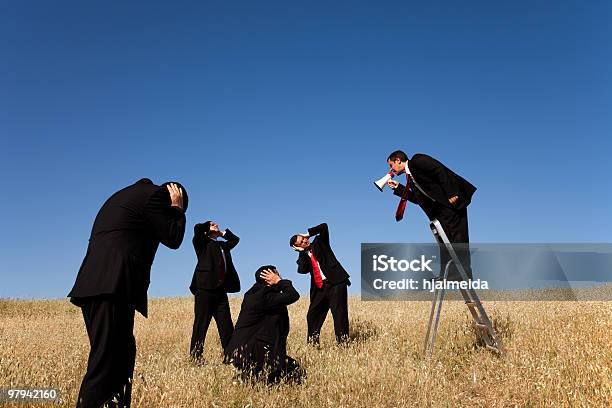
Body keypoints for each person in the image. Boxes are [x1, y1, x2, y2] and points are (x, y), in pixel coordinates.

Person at [68, 178, 187, 408]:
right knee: (106, 365)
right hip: (113, 287)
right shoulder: (155, 197)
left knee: (118, 359)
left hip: (96, 285)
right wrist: (177, 209)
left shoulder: (126, 196)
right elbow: (173, 237)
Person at [385, 150, 476, 281]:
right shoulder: (410, 178)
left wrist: (452, 193)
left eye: (391, 165)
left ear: (398, 160)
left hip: (451, 203)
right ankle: (447, 274)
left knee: (458, 238)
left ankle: (464, 276)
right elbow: (417, 200)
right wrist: (399, 188)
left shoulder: (417, 160)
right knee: (443, 241)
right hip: (440, 211)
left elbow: (439, 170)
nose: (391, 169)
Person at [224, 265, 304, 384]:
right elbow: (293, 295)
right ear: (268, 278)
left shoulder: (255, 292)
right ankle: (245, 380)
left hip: (244, 350)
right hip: (253, 350)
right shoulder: (265, 296)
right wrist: (279, 282)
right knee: (292, 369)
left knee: (269, 374)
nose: (279, 276)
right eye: (276, 274)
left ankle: (247, 379)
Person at [290, 223, 350, 345]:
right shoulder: (303, 256)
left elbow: (324, 227)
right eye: (300, 243)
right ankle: (313, 345)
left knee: (339, 316)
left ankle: (343, 345)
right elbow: (302, 270)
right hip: (320, 288)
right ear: (297, 247)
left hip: (336, 283)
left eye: (303, 239)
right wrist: (302, 253)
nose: (304, 242)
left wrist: (308, 233)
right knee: (312, 315)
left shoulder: (319, 242)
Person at [189, 221, 240, 362]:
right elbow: (197, 229)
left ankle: (230, 356)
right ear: (206, 231)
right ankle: (196, 358)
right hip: (204, 289)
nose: (215, 224)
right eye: (212, 225)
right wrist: (207, 225)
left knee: (226, 325)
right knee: (201, 325)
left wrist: (222, 233)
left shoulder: (223, 246)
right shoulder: (201, 243)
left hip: (221, 291)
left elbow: (235, 240)